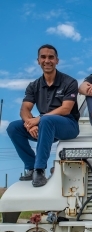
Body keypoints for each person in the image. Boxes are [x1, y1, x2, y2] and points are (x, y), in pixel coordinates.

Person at [6, 44, 80, 187]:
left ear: (57, 60)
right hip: (44, 125)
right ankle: (32, 167)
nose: (47, 60)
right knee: (13, 127)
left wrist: (38, 120)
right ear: (38, 60)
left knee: (46, 119)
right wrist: (29, 123)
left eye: (51, 57)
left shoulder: (69, 82)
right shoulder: (34, 85)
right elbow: (25, 108)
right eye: (43, 57)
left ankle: (40, 169)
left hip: (68, 125)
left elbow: (66, 109)